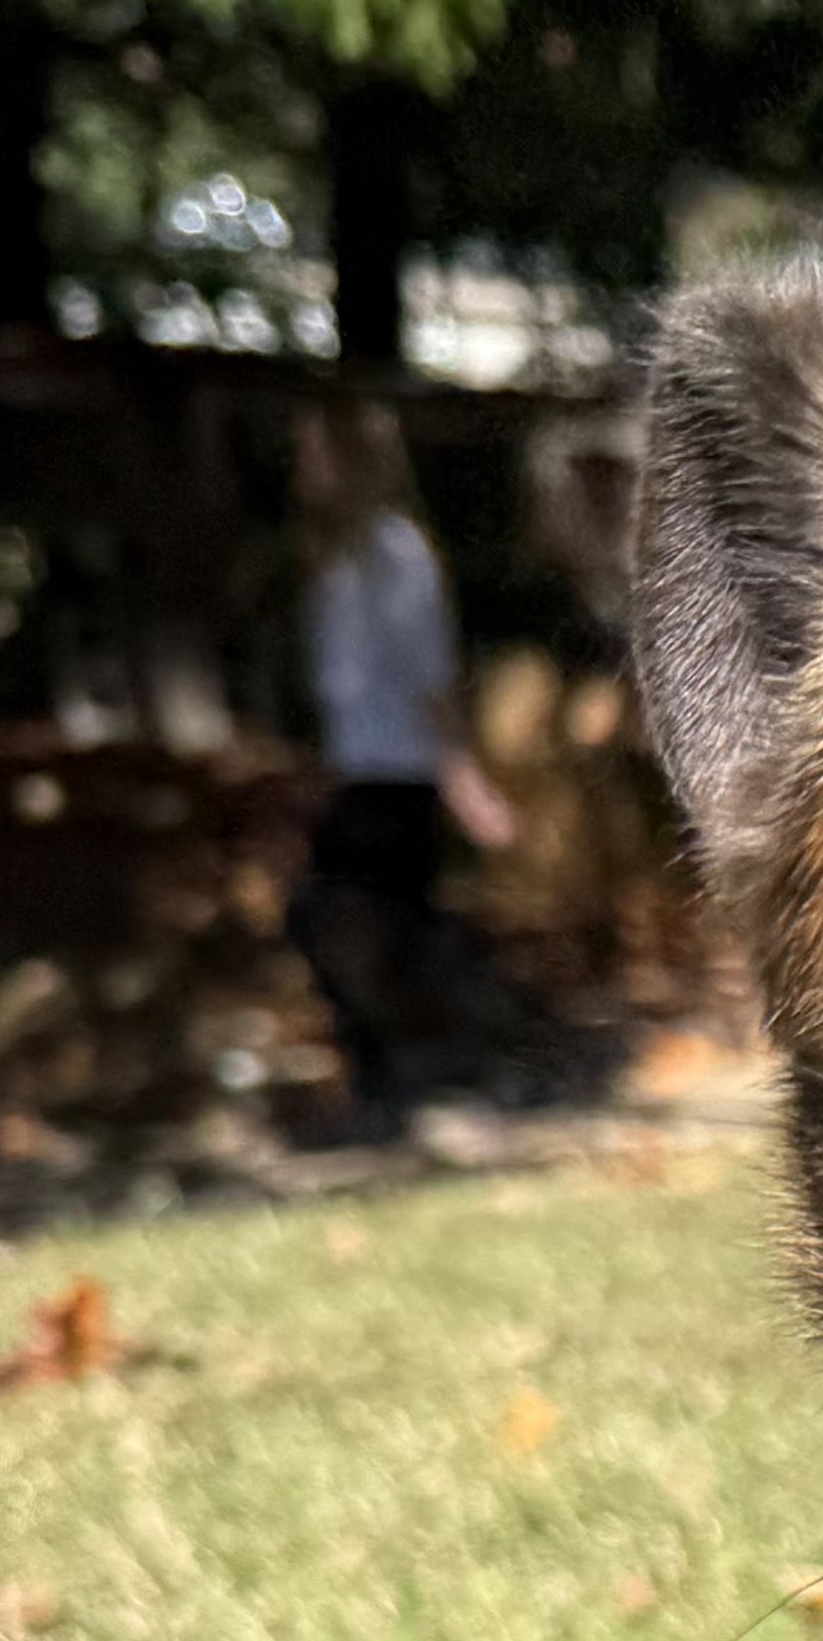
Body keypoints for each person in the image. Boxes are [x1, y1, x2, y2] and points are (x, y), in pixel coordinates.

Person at [289, 399, 518, 1118]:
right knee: (361, 924)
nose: (304, 469)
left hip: (399, 771)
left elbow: (429, 677)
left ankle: (439, 1062)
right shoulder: (332, 557)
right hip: (355, 769)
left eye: (318, 453)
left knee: (377, 924)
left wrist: (464, 778)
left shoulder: (397, 553)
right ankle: (394, 1069)